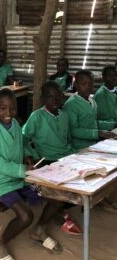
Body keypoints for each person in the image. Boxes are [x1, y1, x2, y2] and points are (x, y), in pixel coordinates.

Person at [0, 88, 63, 260]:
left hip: (22, 180)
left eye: (12, 108)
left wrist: (29, 156)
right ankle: (0, 243)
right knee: (26, 216)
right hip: (2, 184)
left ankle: (39, 230)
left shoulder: (16, 125)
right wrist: (21, 169)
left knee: (56, 197)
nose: (8, 113)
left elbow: (22, 145)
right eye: (3, 108)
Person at [22, 81, 81, 235]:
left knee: (82, 186)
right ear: (43, 99)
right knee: (61, 192)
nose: (55, 100)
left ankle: (58, 211)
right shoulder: (37, 117)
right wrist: (30, 155)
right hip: (47, 161)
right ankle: (54, 215)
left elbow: (67, 142)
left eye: (58, 96)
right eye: (50, 97)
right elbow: (23, 138)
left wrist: (77, 156)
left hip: (66, 159)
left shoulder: (64, 116)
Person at [63, 69, 116, 151]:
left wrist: (113, 125)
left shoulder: (92, 101)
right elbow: (73, 130)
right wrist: (98, 133)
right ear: (76, 85)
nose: (88, 87)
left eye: (90, 84)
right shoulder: (71, 104)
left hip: (93, 145)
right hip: (78, 148)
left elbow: (93, 123)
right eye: (84, 84)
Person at [93, 65, 117, 130]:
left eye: (115, 75)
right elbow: (108, 117)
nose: (114, 78)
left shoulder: (114, 90)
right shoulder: (101, 95)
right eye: (110, 76)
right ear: (103, 78)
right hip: (109, 129)